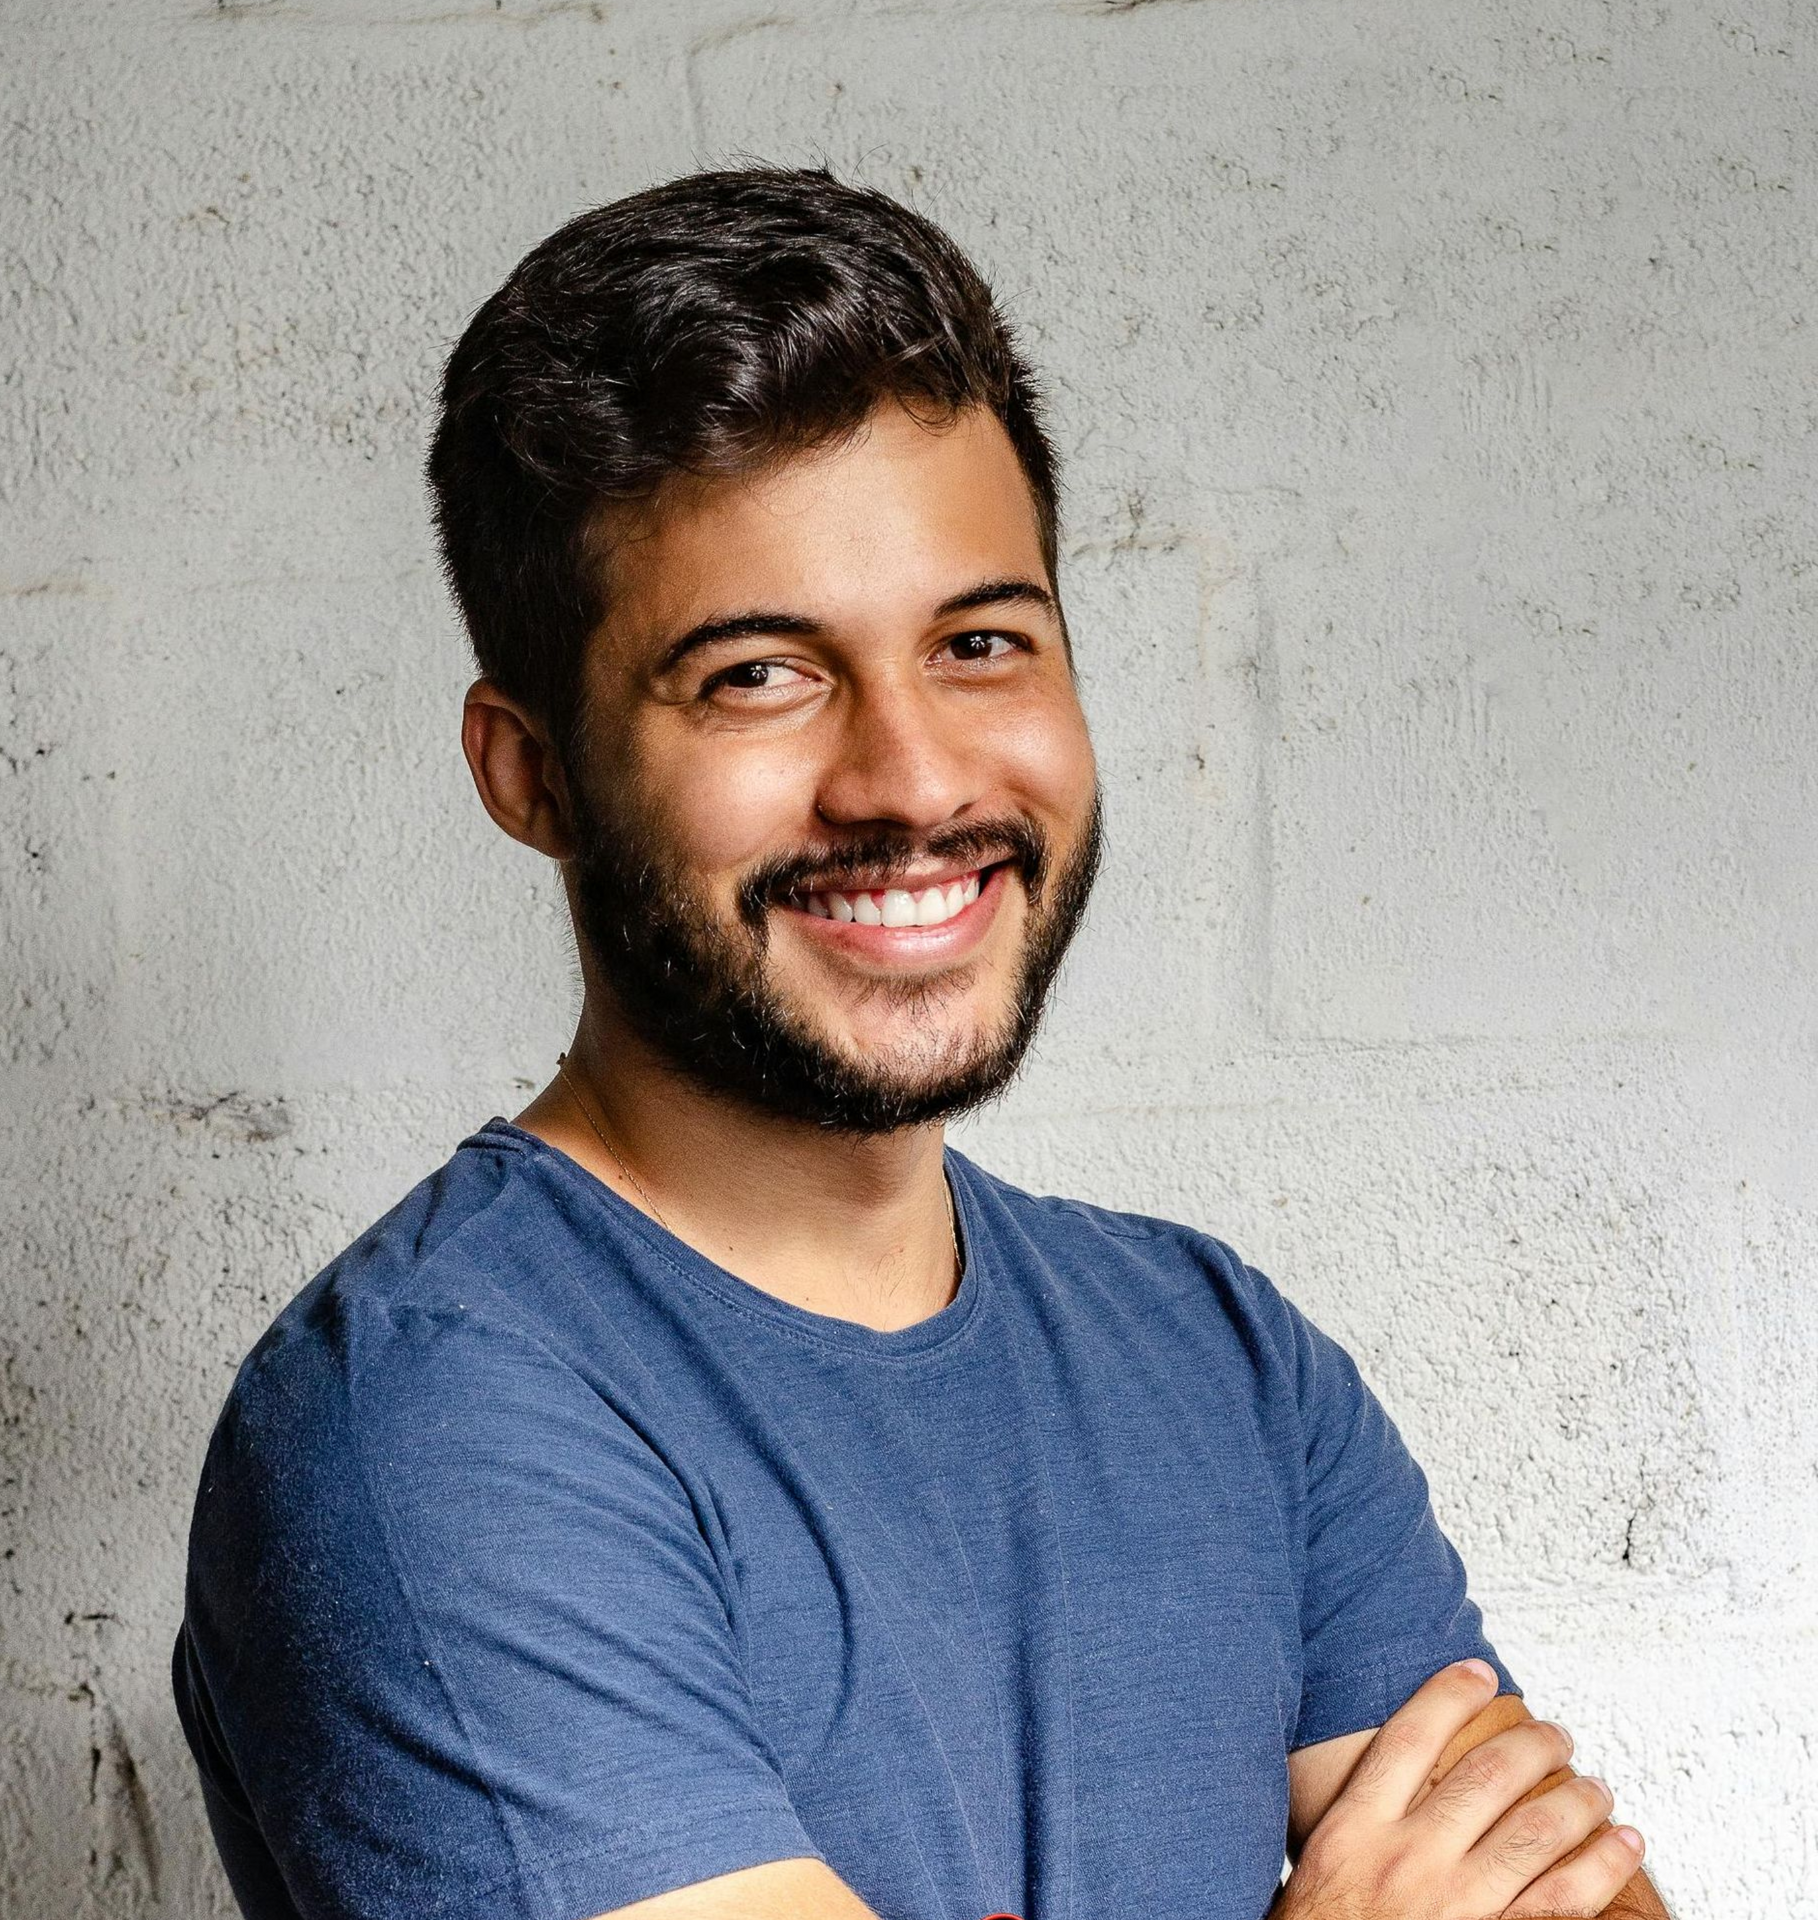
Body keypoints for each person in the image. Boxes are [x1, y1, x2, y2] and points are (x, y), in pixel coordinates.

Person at [172, 167, 1668, 1920]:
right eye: (758, 673)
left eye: (978, 643)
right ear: (533, 774)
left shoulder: (1226, 1365)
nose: (916, 777)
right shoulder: (429, 1420)